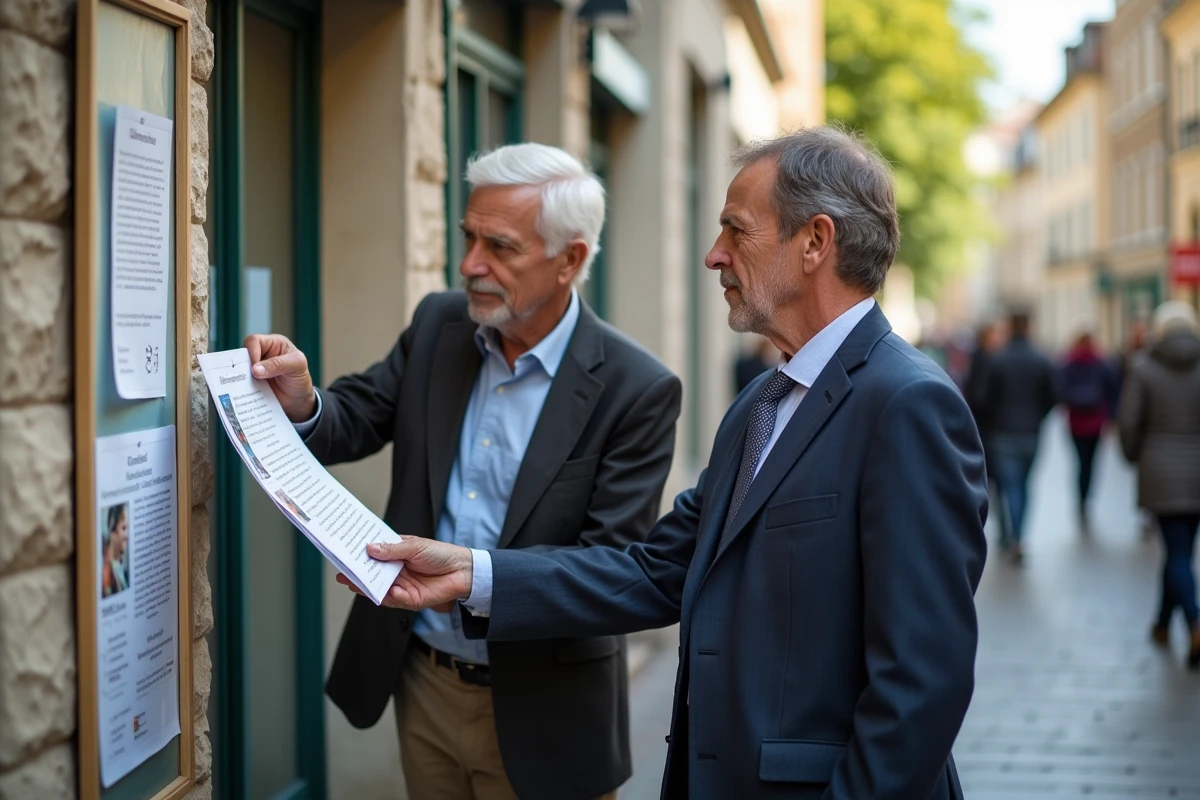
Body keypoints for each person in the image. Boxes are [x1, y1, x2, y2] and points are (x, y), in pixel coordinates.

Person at [350, 127, 988, 799]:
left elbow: (922, 684)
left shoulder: (908, 406)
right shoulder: (762, 403)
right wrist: (472, 574)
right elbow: (658, 569)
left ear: (815, 243)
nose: (714, 256)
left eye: (736, 231)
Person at [247, 143, 682, 800]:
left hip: (548, 711)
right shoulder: (438, 323)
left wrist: (472, 578)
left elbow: (612, 573)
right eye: (468, 237)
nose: (469, 264)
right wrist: (304, 400)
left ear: (571, 260)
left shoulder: (637, 388)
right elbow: (356, 415)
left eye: (500, 247)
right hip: (422, 685)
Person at [1117, 301, 1200, 670]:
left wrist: (1134, 456)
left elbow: (1129, 421)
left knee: (1177, 552)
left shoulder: (1143, 366)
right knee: (1181, 551)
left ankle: (1195, 622)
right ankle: (1163, 624)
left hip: (1161, 472)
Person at [983, 310, 1058, 563]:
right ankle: (1017, 534)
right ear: (1028, 327)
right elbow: (1054, 395)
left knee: (1008, 485)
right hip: (1030, 432)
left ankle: (1012, 534)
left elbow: (985, 398)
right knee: (1023, 485)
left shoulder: (998, 359)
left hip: (1003, 432)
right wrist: (1038, 416)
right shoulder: (1041, 359)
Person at [1059, 331, 1118, 530]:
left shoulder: (1068, 363)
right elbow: (1112, 390)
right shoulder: (1101, 363)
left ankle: (1081, 498)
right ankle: (1086, 498)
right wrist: (1110, 418)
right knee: (1090, 463)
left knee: (1080, 462)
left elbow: (1060, 390)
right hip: (1095, 422)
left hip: (1076, 423)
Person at [965, 319, 1009, 544]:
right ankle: (999, 529)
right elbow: (979, 395)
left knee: (996, 481)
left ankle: (1003, 529)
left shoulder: (988, 358)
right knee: (993, 479)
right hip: (988, 429)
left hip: (989, 428)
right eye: (997, 333)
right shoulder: (986, 359)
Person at [101, 505, 129, 598]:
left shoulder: (121, 567)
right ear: (112, 532)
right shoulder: (106, 575)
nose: (127, 536)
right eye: (124, 528)